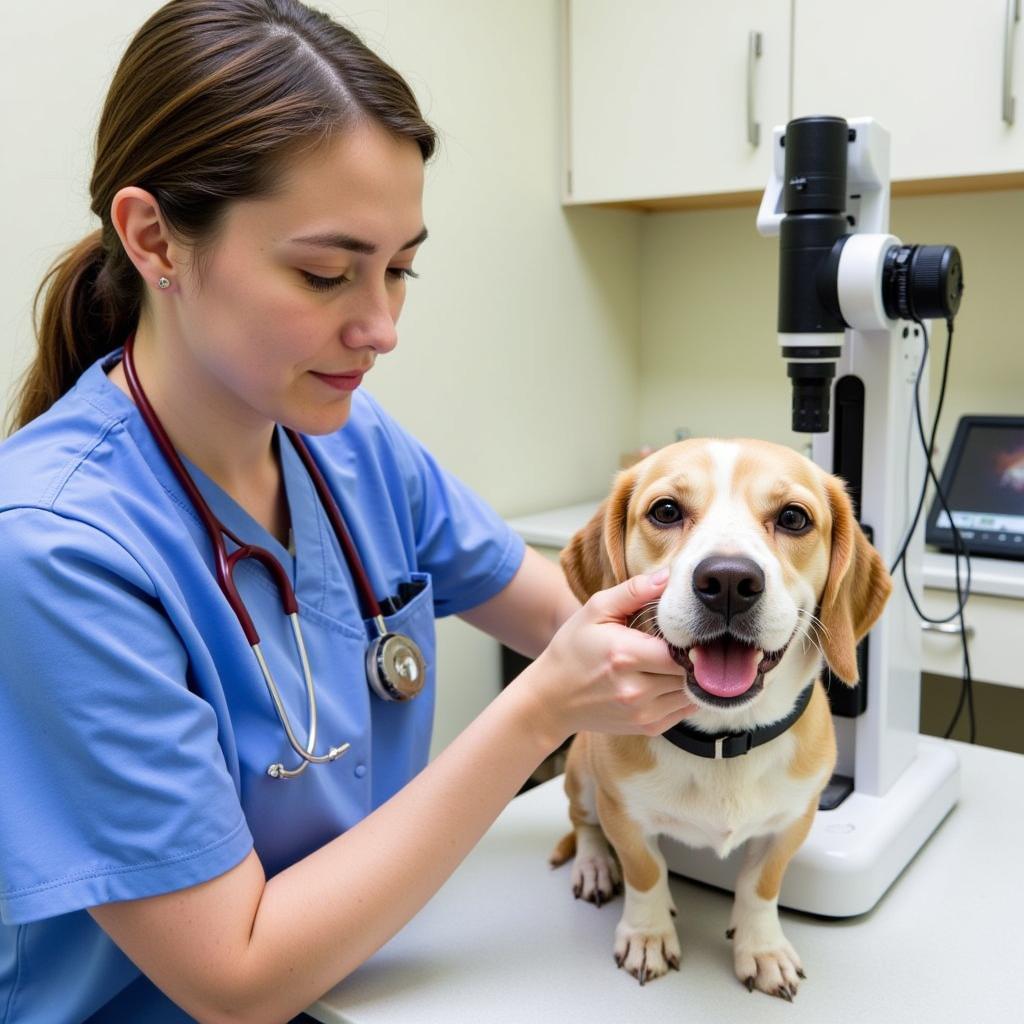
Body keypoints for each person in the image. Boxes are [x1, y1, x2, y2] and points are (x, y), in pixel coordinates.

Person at [0, 2, 696, 1021]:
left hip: (358, 987)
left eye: (401, 267)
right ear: (154, 239)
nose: (380, 326)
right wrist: (537, 711)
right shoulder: (55, 545)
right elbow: (232, 979)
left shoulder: (354, 449)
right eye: (326, 272)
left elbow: (564, 620)